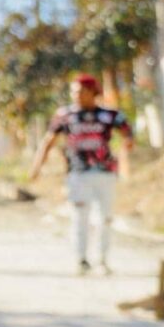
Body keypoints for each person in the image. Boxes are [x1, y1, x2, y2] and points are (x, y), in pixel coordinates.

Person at [31, 74, 132, 274]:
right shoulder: (65, 115)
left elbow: (128, 135)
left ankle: (102, 260)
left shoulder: (110, 115)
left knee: (105, 218)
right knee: (80, 217)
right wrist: (36, 167)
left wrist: (125, 155)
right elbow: (48, 141)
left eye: (81, 91)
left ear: (93, 92)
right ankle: (81, 260)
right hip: (77, 174)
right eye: (74, 91)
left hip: (105, 174)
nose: (76, 95)